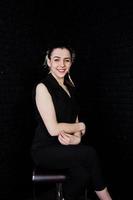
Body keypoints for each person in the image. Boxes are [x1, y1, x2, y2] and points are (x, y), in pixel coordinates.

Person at [31, 41, 112, 200]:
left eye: (66, 60)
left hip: (66, 147)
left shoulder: (70, 86)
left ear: (71, 62)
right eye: (56, 59)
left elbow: (74, 120)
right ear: (48, 61)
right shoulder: (43, 87)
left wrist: (76, 139)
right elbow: (53, 129)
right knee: (90, 153)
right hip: (45, 149)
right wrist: (81, 126)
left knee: (83, 174)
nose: (62, 64)